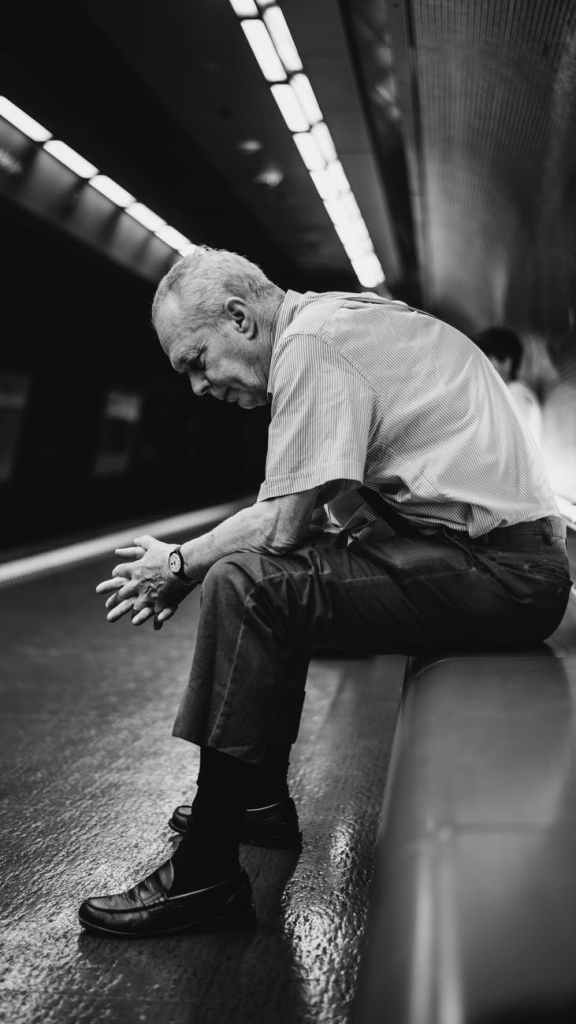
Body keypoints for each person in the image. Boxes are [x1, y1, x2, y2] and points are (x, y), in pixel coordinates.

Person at [78, 247, 571, 937]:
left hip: (504, 571)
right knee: (273, 578)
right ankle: (256, 804)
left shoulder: (311, 345)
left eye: (197, 361)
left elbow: (279, 524)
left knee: (248, 582)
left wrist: (181, 563)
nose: (197, 386)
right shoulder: (331, 325)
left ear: (240, 319)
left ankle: (205, 875)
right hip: (494, 559)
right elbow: (305, 520)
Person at [475, 326, 543, 444]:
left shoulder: (516, 394)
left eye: (486, 358)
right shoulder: (509, 393)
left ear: (507, 362)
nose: (481, 366)